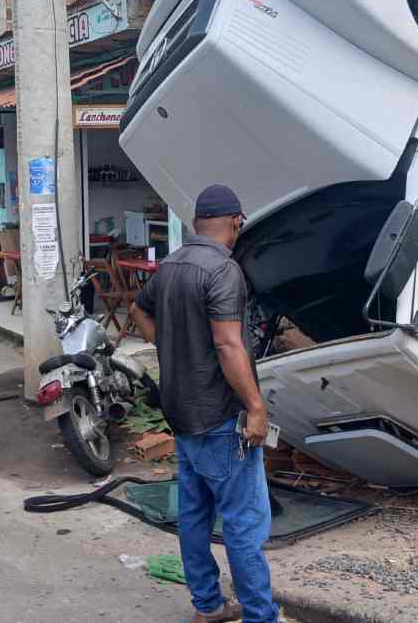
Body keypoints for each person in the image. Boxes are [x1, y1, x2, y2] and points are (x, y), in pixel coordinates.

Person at [129, 184, 276, 623]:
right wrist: (256, 407)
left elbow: (139, 310)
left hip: (182, 413)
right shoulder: (223, 271)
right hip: (218, 416)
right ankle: (259, 616)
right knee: (244, 524)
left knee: (194, 515)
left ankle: (208, 605)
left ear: (196, 224)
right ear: (236, 222)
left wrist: (170, 346)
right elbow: (229, 345)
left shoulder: (171, 265)